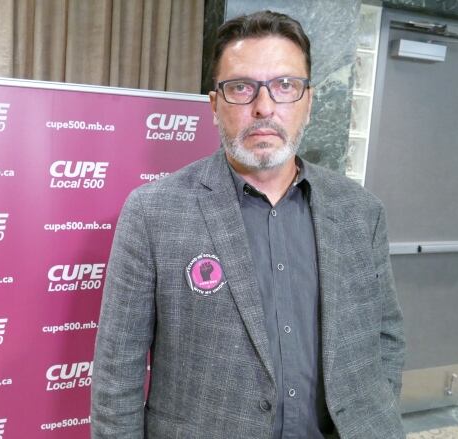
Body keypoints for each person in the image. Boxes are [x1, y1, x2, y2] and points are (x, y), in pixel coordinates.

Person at [91, 10, 405, 439]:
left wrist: (375, 416)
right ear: (215, 105)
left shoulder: (360, 211)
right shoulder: (153, 213)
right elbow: (116, 373)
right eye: (242, 87)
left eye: (285, 86)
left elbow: (385, 335)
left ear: (308, 102)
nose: (264, 107)